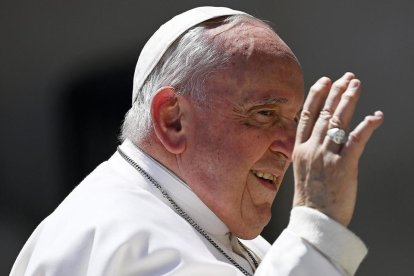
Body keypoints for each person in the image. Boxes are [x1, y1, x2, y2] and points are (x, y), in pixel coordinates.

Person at [10, 6, 384, 276]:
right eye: (265, 114)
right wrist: (316, 227)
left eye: (296, 122)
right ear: (172, 120)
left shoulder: (207, 225)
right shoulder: (126, 238)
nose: (290, 150)